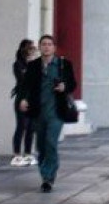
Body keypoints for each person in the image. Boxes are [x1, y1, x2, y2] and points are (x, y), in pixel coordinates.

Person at [17, 35, 78, 192]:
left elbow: (73, 84)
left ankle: (48, 177)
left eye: (49, 44)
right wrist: (23, 99)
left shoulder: (63, 64)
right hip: (38, 111)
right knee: (41, 146)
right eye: (43, 44)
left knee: (51, 142)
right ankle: (45, 172)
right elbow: (25, 86)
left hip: (56, 111)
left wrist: (65, 87)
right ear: (39, 47)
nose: (46, 47)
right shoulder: (33, 66)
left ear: (54, 48)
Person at [10, 39, 37, 166]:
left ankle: (27, 154)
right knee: (22, 126)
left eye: (33, 48)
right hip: (22, 98)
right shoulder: (18, 65)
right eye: (30, 48)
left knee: (31, 128)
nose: (32, 51)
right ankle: (16, 154)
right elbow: (23, 81)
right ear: (24, 50)